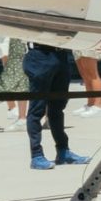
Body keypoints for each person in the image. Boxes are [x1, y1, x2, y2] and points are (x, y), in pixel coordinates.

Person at [21, 42, 89, 171]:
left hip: (60, 54)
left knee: (57, 108)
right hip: (39, 54)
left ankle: (63, 151)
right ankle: (36, 155)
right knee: (37, 110)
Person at [0, 34, 30, 120]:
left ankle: (15, 110)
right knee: (9, 73)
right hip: (5, 37)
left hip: (21, 38)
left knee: (20, 75)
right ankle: (11, 108)